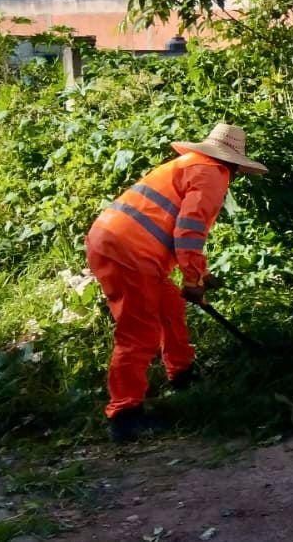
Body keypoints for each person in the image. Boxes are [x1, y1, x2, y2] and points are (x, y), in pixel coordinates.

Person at [85, 124, 267, 443]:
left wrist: (199, 274)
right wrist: (194, 279)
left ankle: (182, 374)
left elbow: (177, 227)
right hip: (129, 250)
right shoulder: (213, 175)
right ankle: (125, 416)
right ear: (235, 163)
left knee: (170, 305)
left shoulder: (192, 165)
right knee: (138, 329)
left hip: (114, 240)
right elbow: (189, 231)